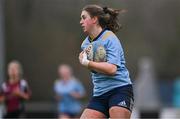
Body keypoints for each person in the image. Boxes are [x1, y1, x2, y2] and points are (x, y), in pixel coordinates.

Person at [79, 4, 134, 119]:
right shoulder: (85, 45)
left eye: (84, 17)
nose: (81, 21)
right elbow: (95, 70)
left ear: (94, 19)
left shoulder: (110, 38)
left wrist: (88, 63)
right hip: (100, 94)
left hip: (119, 90)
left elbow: (112, 69)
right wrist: (87, 62)